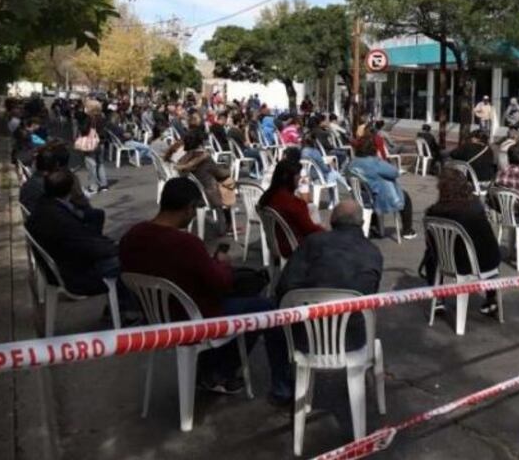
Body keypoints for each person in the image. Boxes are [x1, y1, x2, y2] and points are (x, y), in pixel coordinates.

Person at [120, 178, 291, 400]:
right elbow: (221, 283)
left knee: (249, 298)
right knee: (267, 309)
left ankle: (216, 367)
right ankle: (276, 385)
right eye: (194, 210)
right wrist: (221, 263)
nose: (193, 215)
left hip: (158, 316)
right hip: (196, 318)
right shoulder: (185, 243)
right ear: (189, 207)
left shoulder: (131, 236)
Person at [275, 200, 383, 355]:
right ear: (362, 223)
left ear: (331, 220)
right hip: (352, 341)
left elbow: (284, 286)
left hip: (304, 339)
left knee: (268, 316)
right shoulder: (373, 252)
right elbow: (370, 298)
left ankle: (284, 378)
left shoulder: (312, 242)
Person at [25, 170, 123, 300]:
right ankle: (126, 309)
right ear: (70, 189)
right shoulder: (59, 219)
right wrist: (117, 249)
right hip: (75, 273)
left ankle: (123, 306)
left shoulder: (45, 205)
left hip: (65, 263)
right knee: (128, 262)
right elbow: (89, 247)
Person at [424, 168, 502, 316]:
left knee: (430, 253)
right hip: (477, 263)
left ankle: (438, 297)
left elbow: (431, 243)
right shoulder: (475, 207)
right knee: (489, 251)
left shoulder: (433, 213)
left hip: (446, 261)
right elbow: (488, 241)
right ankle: (491, 298)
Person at [21, 142, 104, 232]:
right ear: (56, 165)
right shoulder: (53, 181)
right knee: (97, 215)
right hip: (53, 224)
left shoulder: (31, 181)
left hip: (38, 221)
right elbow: (78, 202)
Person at [347, 136, 416, 239]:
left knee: (372, 188)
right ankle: (407, 230)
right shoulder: (375, 163)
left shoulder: (353, 163)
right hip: (379, 197)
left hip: (361, 195)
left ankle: (374, 226)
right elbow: (394, 172)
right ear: (373, 149)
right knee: (405, 196)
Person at [174, 130, 235, 233]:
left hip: (194, 193)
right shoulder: (205, 158)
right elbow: (219, 173)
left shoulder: (185, 158)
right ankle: (227, 225)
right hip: (209, 196)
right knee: (228, 183)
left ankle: (226, 223)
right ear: (201, 143)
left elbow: (180, 167)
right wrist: (229, 170)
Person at [74, 104, 108, 193]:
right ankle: (104, 184)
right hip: (101, 142)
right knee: (100, 163)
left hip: (91, 143)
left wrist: (80, 126)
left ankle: (94, 186)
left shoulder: (89, 119)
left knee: (91, 164)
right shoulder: (102, 118)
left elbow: (84, 130)